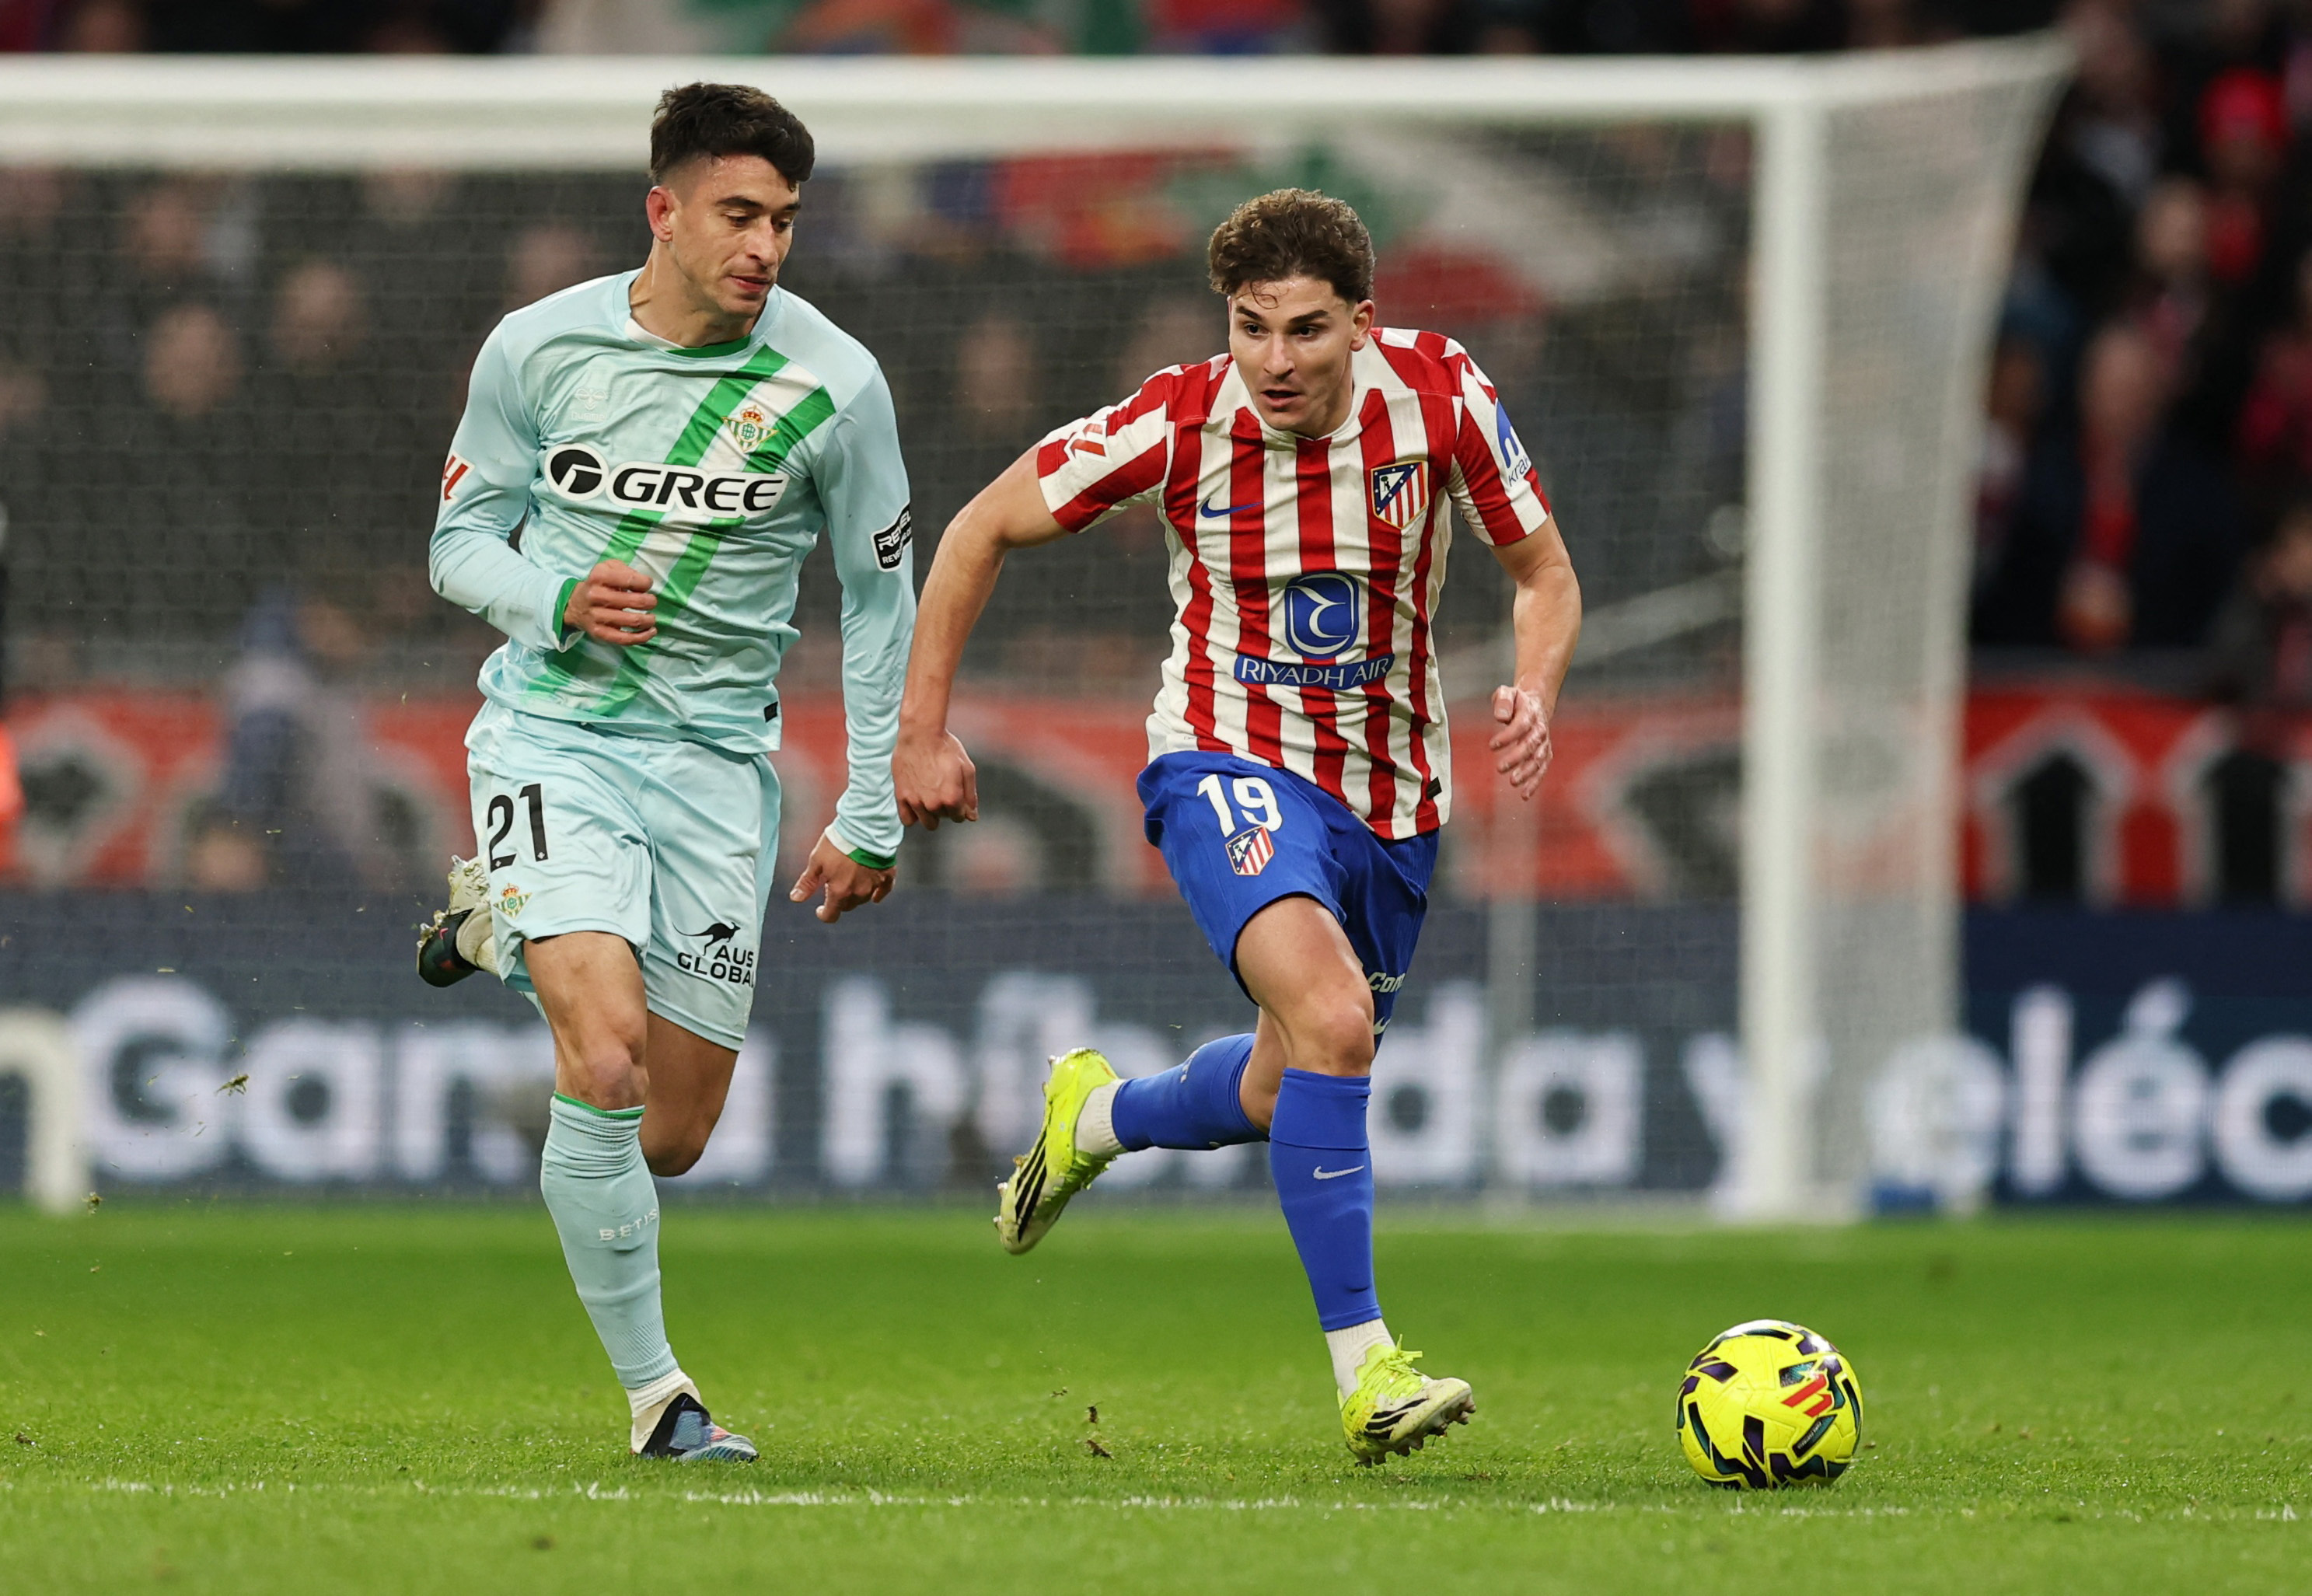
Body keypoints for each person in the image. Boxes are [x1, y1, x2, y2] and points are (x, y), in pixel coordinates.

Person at [893, 189, 1581, 1464]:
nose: (1274, 361)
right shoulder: (1175, 419)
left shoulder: (1438, 398)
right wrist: (919, 730)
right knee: (1334, 1022)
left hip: (1389, 798)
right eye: (1251, 328)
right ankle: (1366, 1368)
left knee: (1284, 1080)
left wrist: (1532, 688)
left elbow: (1543, 571)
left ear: (1362, 324)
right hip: (1223, 760)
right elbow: (981, 523)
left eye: (1307, 331)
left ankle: (1091, 1119)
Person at [415, 83, 914, 1463]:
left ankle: (487, 920)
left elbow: (880, 609)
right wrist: (557, 597)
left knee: (675, 1131)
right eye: (739, 215)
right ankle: (659, 1397)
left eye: (785, 222)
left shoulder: (836, 385)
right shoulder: (538, 348)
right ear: (665, 212)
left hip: (713, 766)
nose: (764, 246)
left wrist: (868, 804)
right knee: (609, 1055)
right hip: (554, 735)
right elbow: (459, 544)